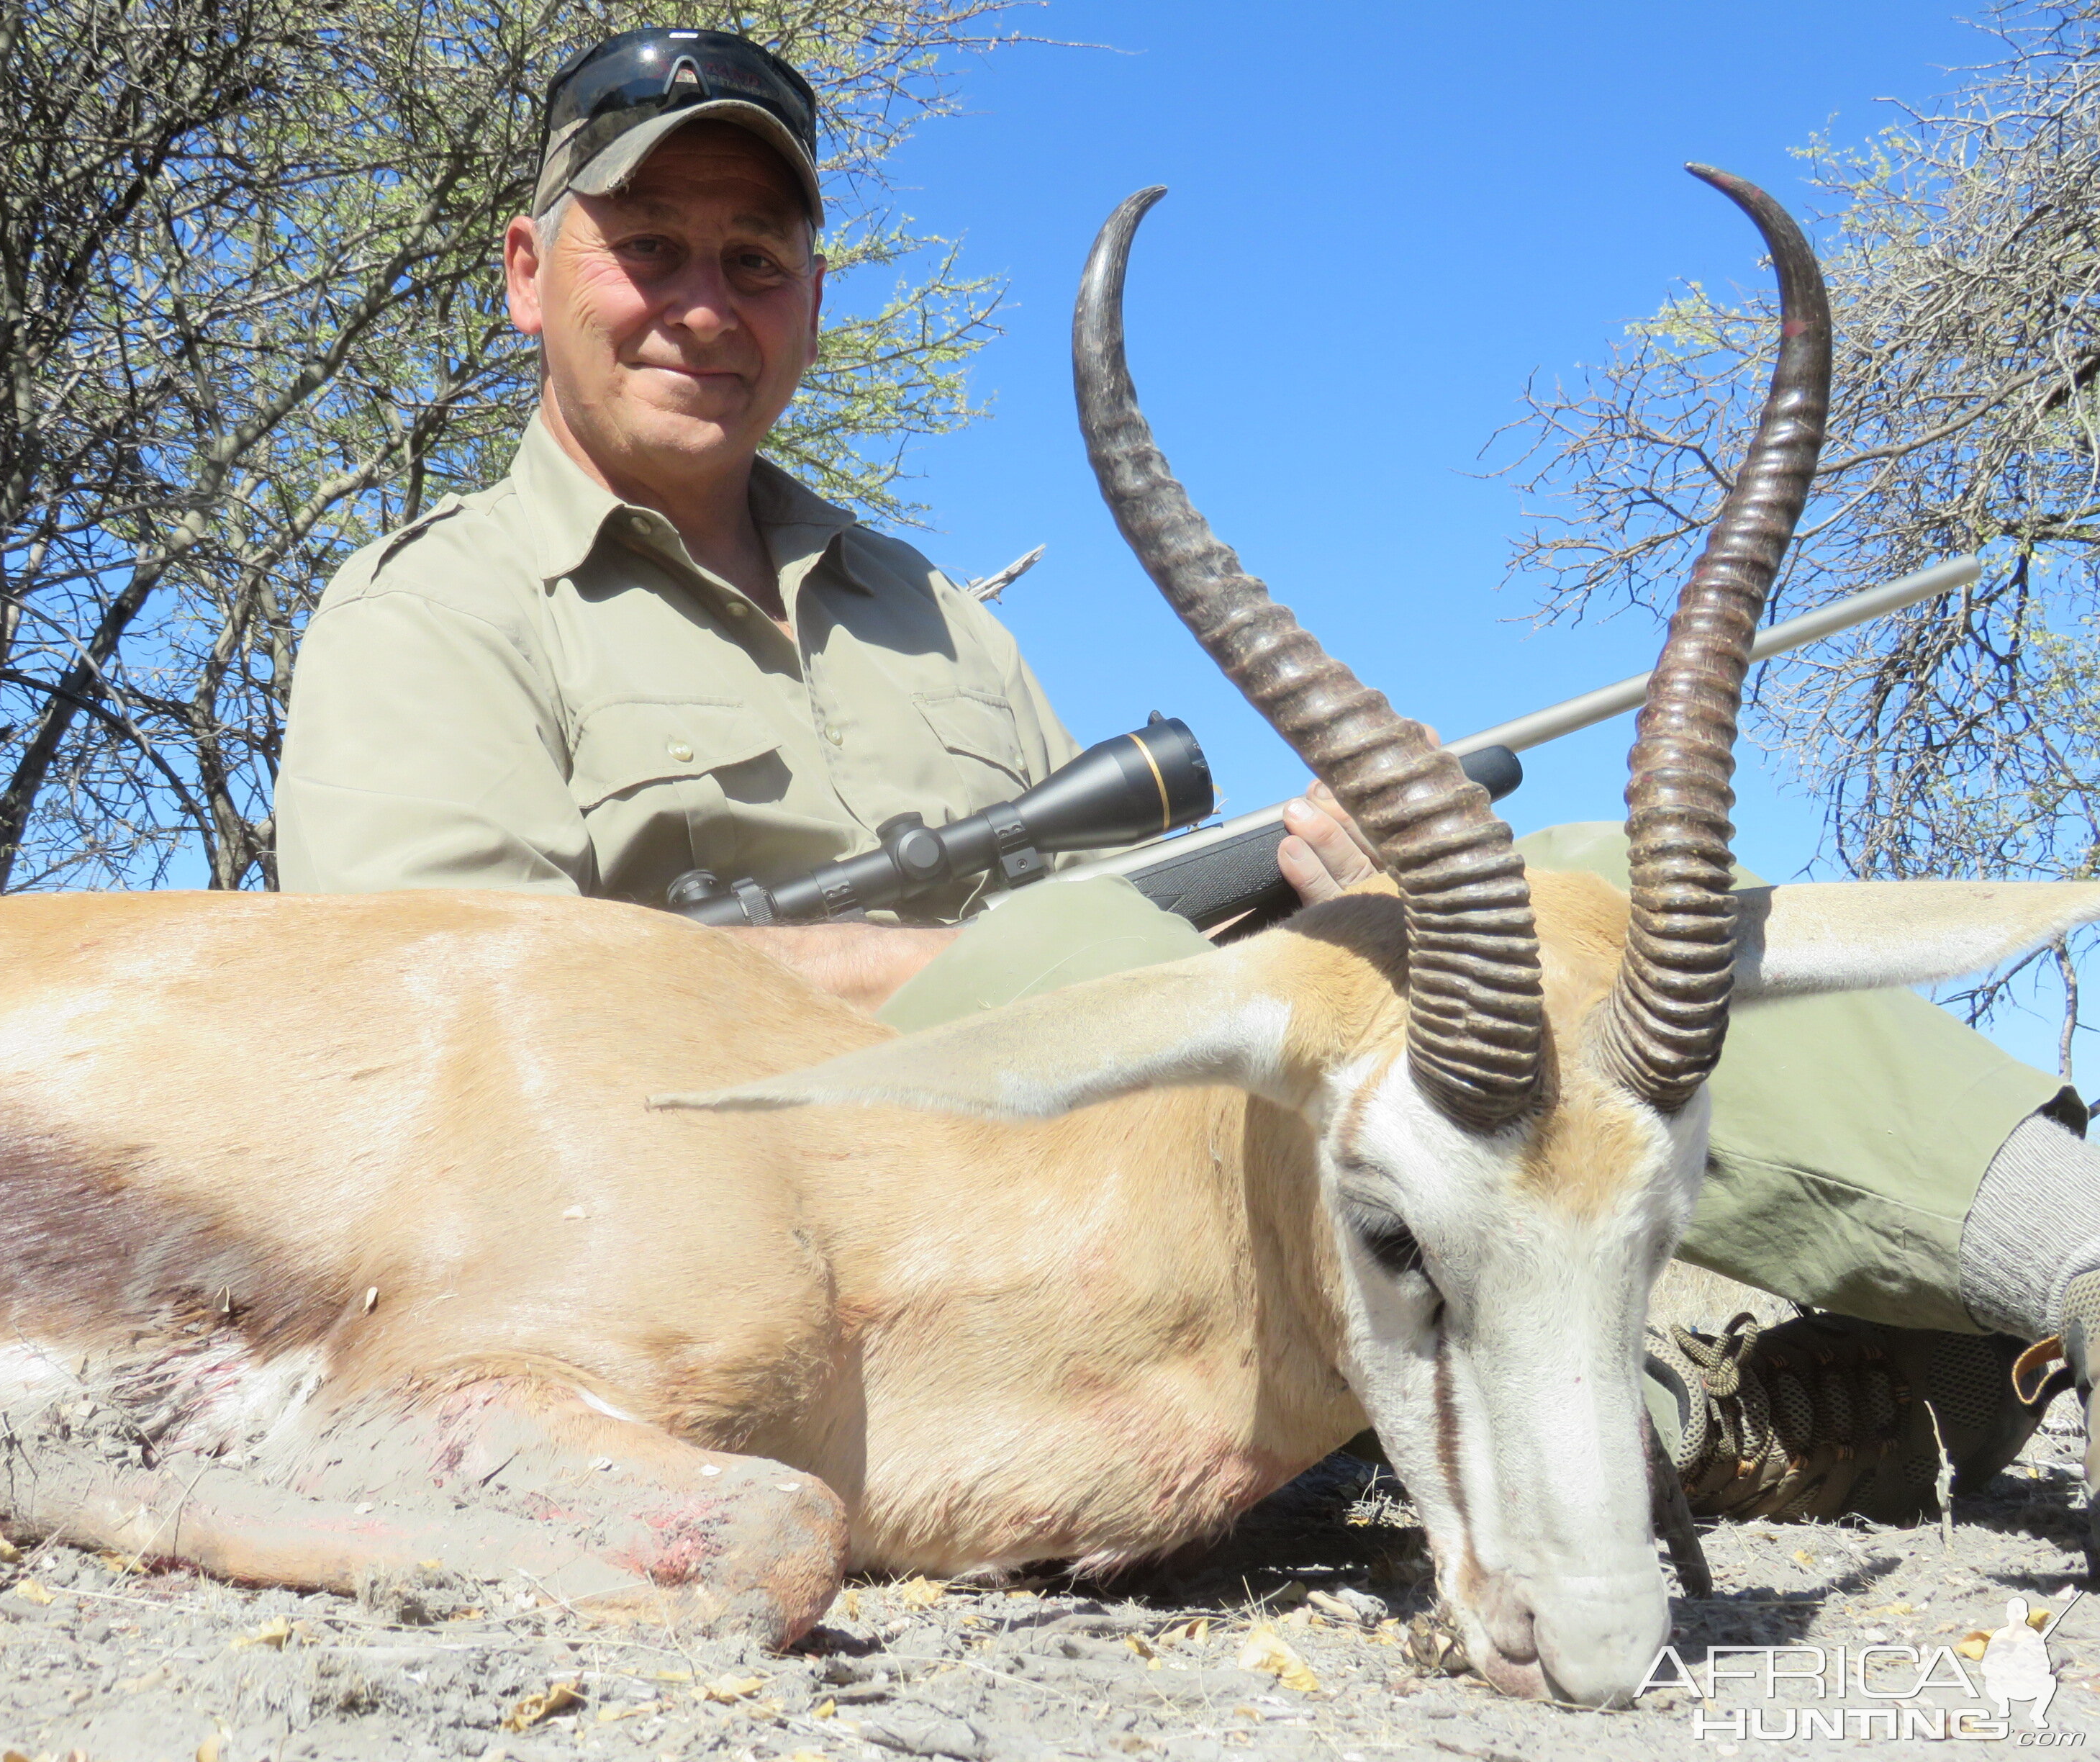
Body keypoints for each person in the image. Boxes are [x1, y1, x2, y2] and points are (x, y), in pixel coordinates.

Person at [276, 27, 2100, 1533]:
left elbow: (1063, 928)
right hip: (732, 1204)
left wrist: (1317, 897)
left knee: (1557, 897)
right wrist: (863, 978)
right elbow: (426, 1035)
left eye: (755, 261)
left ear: (812, 299)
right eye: (648, 246)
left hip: (1068, 1141)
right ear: (530, 274)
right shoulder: (425, 615)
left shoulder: (928, 611)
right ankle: (1667, 1401)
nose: (703, 303)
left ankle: (2022, 1265)